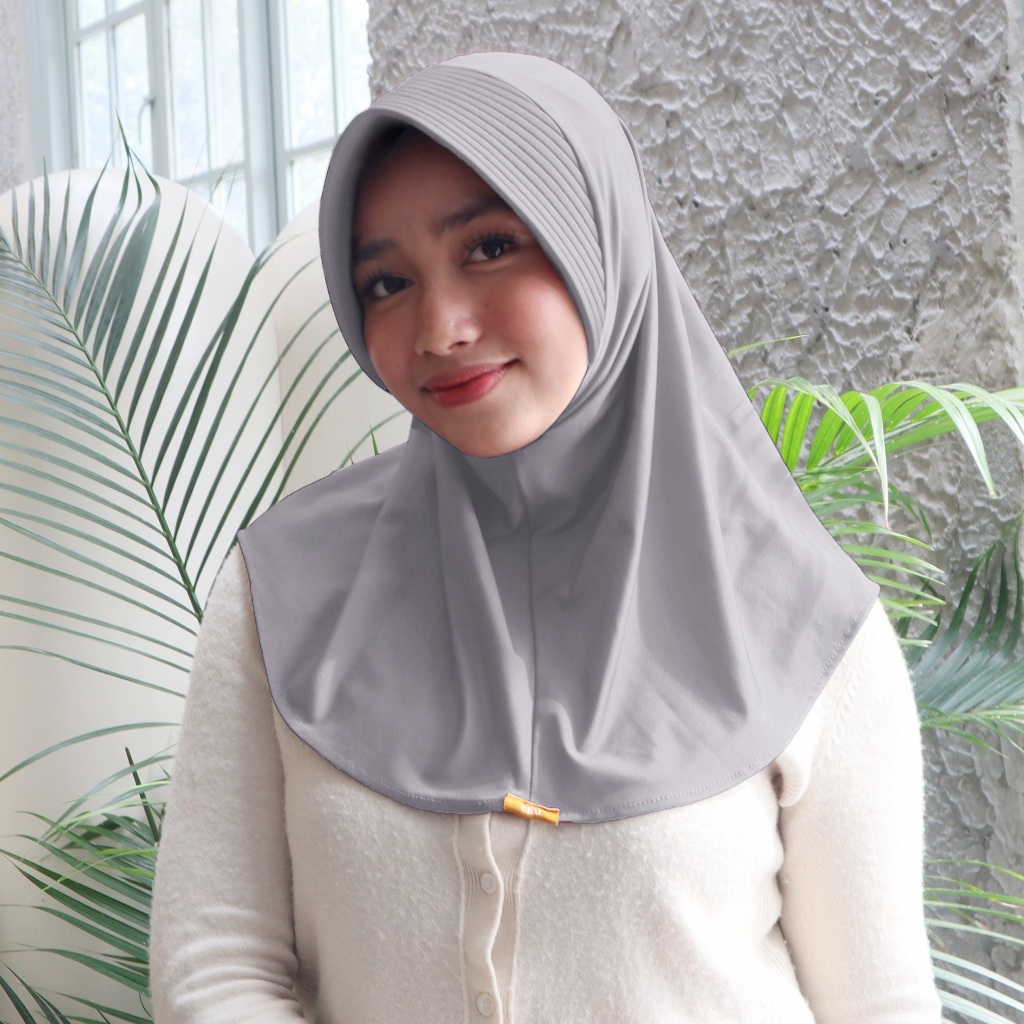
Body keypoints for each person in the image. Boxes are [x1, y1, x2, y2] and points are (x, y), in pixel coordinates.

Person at [150, 52, 944, 1022]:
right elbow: (213, 969)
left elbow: (880, 1005)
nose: (439, 327)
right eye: (387, 282)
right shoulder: (281, 591)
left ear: (597, 243)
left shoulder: (807, 623)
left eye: (489, 247)